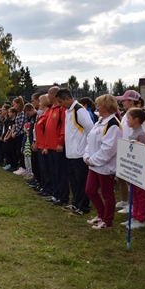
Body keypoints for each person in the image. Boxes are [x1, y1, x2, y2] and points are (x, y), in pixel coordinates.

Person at [83, 94, 123, 229]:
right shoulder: (100, 121)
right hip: (94, 164)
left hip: (105, 166)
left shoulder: (113, 124)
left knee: (107, 193)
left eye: (99, 105)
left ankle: (107, 220)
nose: (97, 107)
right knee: (90, 190)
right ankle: (101, 214)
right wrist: (87, 156)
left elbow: (109, 149)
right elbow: (90, 140)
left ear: (107, 107)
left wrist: (92, 160)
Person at [55, 88, 95, 216]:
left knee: (81, 181)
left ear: (67, 98)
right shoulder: (68, 110)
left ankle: (83, 206)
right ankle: (76, 202)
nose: (60, 104)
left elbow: (90, 129)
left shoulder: (79, 110)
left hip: (80, 153)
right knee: (73, 180)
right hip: (70, 152)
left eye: (61, 101)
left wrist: (86, 148)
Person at [114, 90, 144, 214]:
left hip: (132, 150)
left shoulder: (138, 114)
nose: (122, 103)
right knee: (122, 177)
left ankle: (132, 205)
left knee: (133, 180)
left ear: (131, 101)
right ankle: (126, 201)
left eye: (124, 100)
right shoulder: (127, 114)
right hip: (124, 147)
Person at [119, 108, 145, 229]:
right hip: (132, 166)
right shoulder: (133, 130)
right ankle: (134, 215)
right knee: (134, 193)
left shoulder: (141, 133)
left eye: (129, 118)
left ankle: (140, 218)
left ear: (136, 120)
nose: (126, 121)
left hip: (139, 167)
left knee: (141, 194)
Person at [45, 87, 69, 206]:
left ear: (54, 95)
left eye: (49, 95)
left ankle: (63, 196)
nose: (48, 97)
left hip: (57, 147)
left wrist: (61, 142)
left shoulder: (61, 109)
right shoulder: (52, 109)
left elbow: (63, 127)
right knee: (53, 171)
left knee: (61, 173)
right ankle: (56, 194)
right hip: (50, 146)